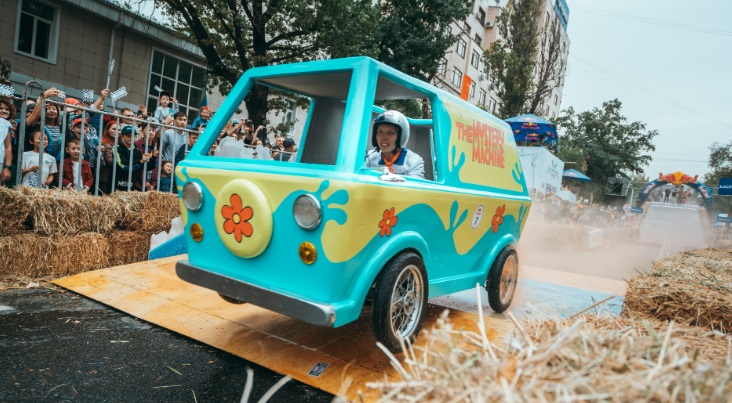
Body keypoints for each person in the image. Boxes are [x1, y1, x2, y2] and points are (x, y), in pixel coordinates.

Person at [365, 110, 424, 179]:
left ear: (401, 137)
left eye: (390, 133)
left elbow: (414, 185)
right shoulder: (370, 158)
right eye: (380, 132)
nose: (383, 137)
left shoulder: (414, 162)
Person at [114, 125, 150, 191]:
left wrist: (152, 157)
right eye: (128, 136)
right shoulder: (117, 147)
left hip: (132, 183)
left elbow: (147, 167)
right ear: (122, 136)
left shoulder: (138, 151)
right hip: (117, 181)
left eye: (133, 136)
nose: (131, 138)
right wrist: (140, 161)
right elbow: (122, 163)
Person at [0, 97, 16, 185]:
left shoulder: (7, 125)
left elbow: (8, 147)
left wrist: (7, 167)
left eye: (7, 109)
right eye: (1, 108)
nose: (4, 111)